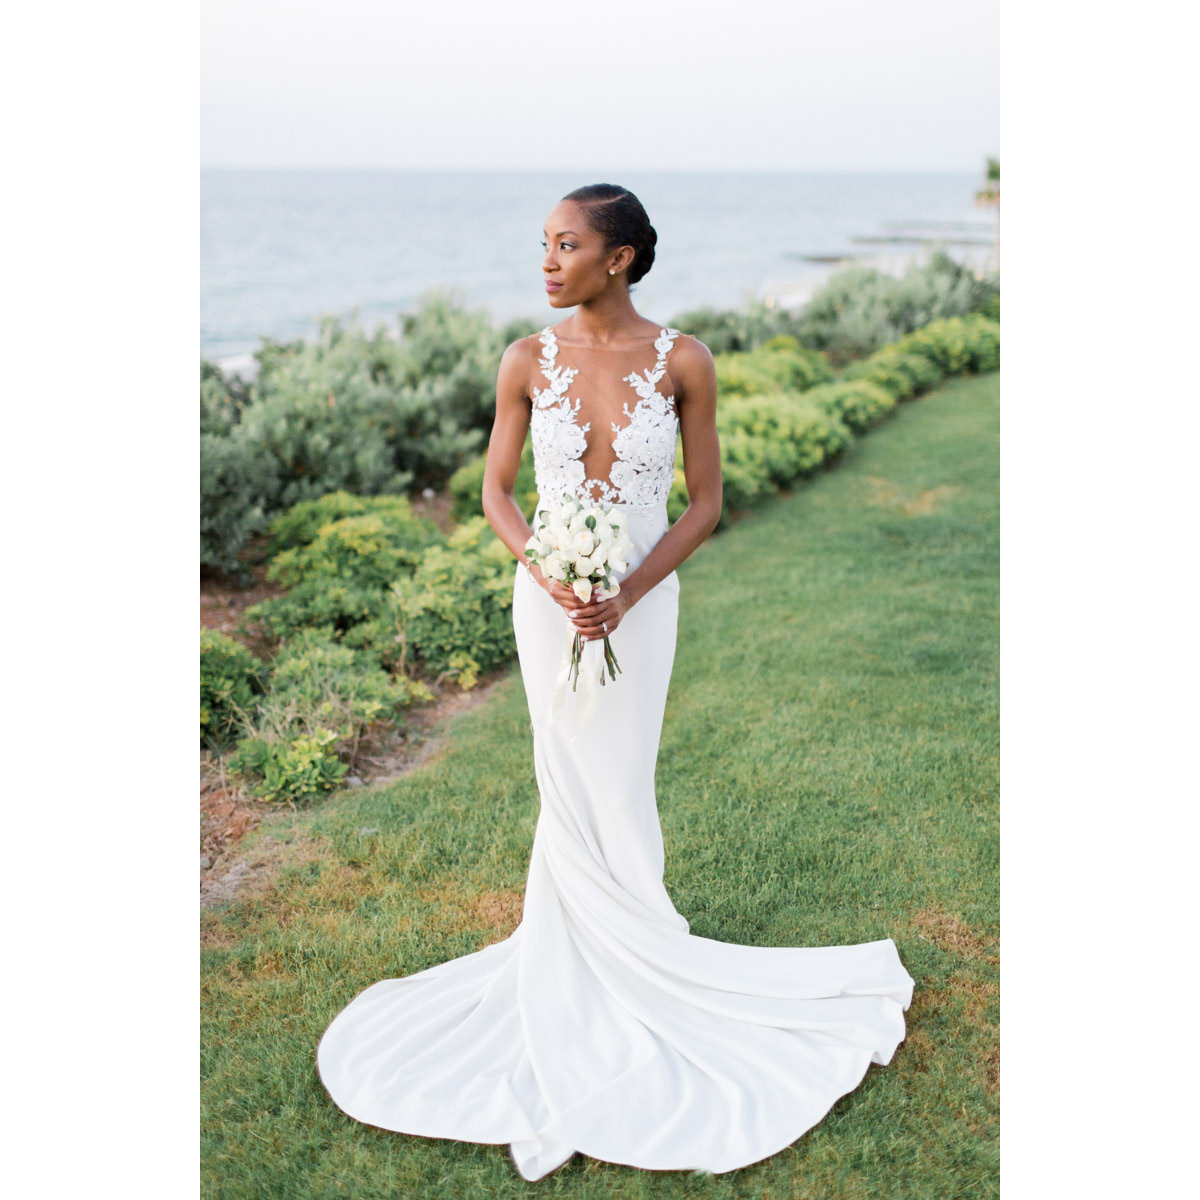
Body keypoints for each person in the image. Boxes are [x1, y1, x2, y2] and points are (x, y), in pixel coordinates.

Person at [316, 183, 915, 1181]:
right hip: (546, 600)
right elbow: (496, 493)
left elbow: (707, 503)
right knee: (566, 775)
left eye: (566, 245)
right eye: (543, 245)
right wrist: (548, 575)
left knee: (621, 779)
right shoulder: (524, 360)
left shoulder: (684, 361)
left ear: (621, 258)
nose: (547, 262)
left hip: (641, 599)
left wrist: (627, 591)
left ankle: (646, 955)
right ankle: (571, 958)